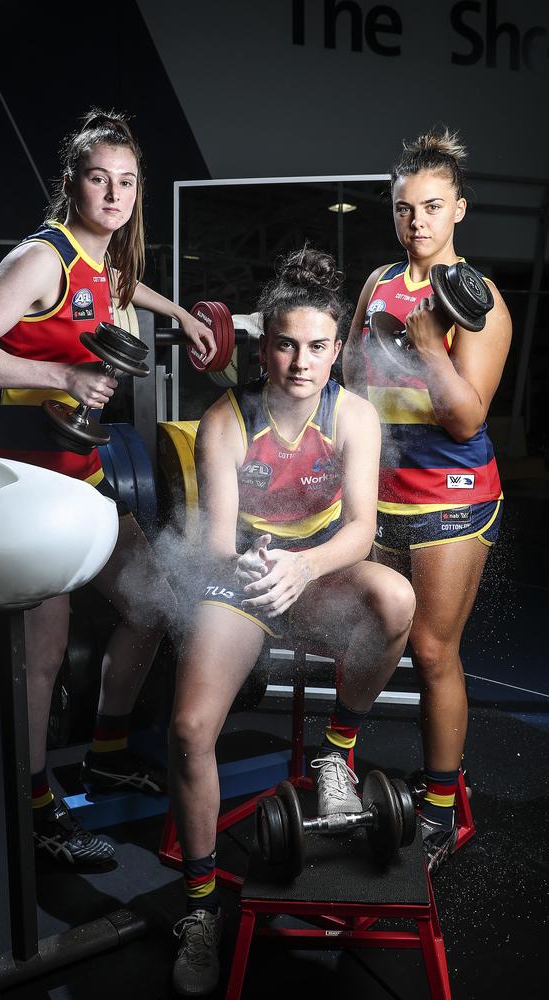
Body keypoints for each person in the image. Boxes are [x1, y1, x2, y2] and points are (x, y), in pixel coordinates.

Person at [0, 109, 216, 867]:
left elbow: (127, 287)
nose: (114, 194)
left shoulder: (108, 259)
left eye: (126, 182)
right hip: (25, 491)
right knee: (44, 654)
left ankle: (107, 751)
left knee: (151, 603)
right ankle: (35, 809)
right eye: (99, 179)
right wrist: (63, 374)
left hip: (83, 480)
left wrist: (182, 314)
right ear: (73, 184)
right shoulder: (42, 258)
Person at [168, 247, 416, 996]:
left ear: (336, 349)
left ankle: (336, 757)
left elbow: (361, 529)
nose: (300, 363)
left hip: (318, 576)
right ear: (262, 346)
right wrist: (255, 569)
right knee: (187, 731)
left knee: (397, 599)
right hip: (243, 582)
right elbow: (214, 545)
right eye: (285, 345)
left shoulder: (354, 415)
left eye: (316, 347)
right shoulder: (226, 418)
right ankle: (202, 906)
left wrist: (302, 569)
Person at [343, 127, 512, 874]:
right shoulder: (379, 281)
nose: (417, 222)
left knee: (432, 649)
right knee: (371, 632)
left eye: (433, 207)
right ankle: (336, 763)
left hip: (453, 494)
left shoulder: (479, 300)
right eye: (405, 207)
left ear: (459, 211)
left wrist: (428, 347)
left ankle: (440, 808)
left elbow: (467, 417)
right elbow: (348, 377)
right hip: (382, 494)